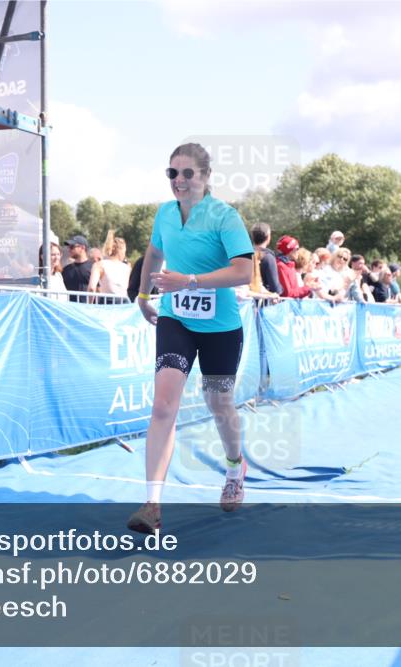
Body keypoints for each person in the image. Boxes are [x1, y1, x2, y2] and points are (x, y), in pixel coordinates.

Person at [130, 143, 255, 534]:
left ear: (205, 177)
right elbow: (153, 252)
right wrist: (145, 295)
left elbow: (243, 271)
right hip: (175, 319)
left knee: (219, 403)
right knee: (163, 404)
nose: (179, 181)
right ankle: (152, 504)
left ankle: (236, 467)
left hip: (220, 327)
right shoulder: (166, 214)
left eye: (187, 174)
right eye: (173, 174)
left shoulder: (224, 216)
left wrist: (190, 280)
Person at [88, 229, 130, 302]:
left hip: (106, 303)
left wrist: (89, 304)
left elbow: (92, 287)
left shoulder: (99, 265)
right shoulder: (127, 268)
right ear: (122, 251)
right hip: (124, 303)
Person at [250, 222, 282, 296]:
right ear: (268, 237)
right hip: (263, 302)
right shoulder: (268, 257)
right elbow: (275, 287)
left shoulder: (243, 254)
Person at [60, 235, 93, 302]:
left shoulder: (93, 268)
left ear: (82, 248)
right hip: (69, 309)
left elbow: (99, 289)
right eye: (68, 247)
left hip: (88, 309)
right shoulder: (66, 269)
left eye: (72, 247)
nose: (69, 250)